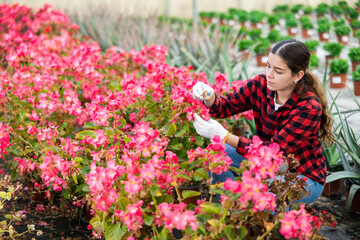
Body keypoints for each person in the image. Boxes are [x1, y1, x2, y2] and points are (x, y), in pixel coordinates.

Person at [192, 39, 334, 204]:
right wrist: (209, 97)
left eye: (278, 71)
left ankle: (247, 211)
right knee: (216, 154)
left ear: (298, 75)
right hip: (267, 166)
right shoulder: (261, 85)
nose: (269, 74)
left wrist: (224, 136)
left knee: (262, 201)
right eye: (268, 66)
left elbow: (273, 153)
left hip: (302, 176)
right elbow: (226, 107)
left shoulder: (308, 107)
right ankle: (231, 210)